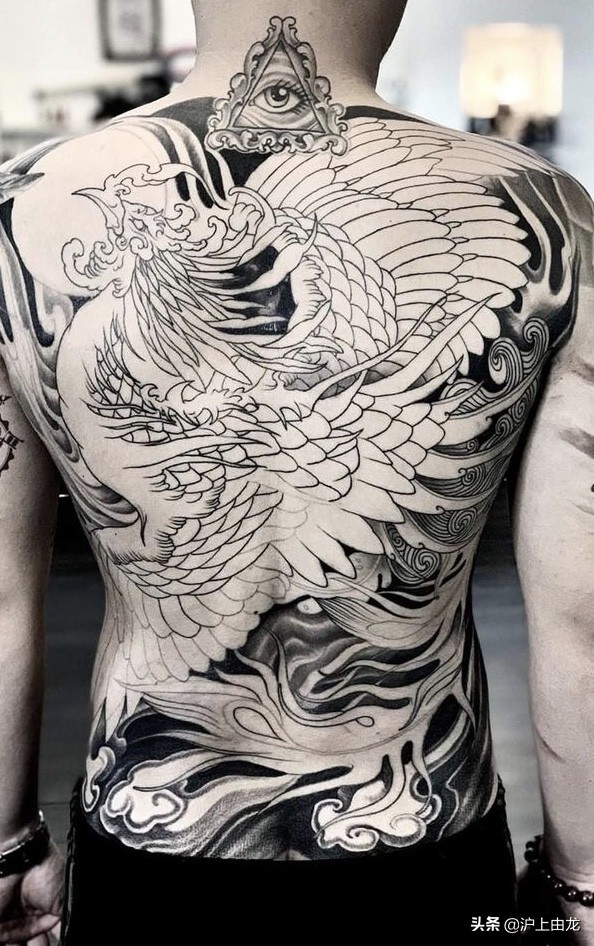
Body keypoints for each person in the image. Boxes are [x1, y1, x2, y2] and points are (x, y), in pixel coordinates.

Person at [0, 1, 592, 943]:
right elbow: (579, 618)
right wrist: (581, 883)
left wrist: (6, 847)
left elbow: (0, 597)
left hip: (149, 828)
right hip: (426, 831)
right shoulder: (549, 210)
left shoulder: (16, 214)